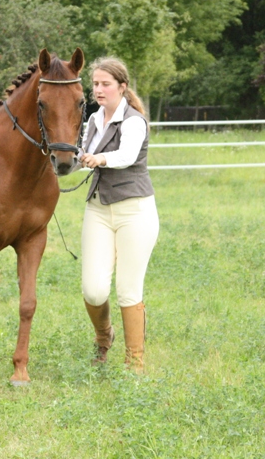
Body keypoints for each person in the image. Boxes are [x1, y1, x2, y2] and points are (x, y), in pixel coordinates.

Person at [78, 57, 159, 373]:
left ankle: (135, 362)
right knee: (93, 289)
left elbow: (125, 156)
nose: (98, 89)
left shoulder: (134, 121)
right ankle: (103, 338)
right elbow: (82, 158)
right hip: (97, 209)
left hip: (134, 211)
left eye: (105, 84)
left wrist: (98, 158)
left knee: (128, 289)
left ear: (122, 87)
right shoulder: (94, 120)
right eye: (95, 84)